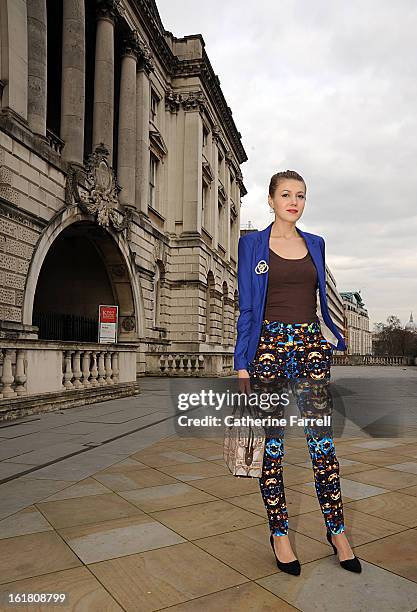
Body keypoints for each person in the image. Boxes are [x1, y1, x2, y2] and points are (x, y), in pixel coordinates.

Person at [234, 169, 361, 576]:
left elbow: (322, 296)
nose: (294, 201)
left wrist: (332, 336)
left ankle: (337, 530)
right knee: (272, 447)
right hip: (267, 349)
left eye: (301, 196)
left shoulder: (316, 244)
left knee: (322, 445)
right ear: (270, 200)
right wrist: (241, 364)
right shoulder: (251, 244)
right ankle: (280, 534)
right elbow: (247, 308)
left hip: (310, 348)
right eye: (286, 194)